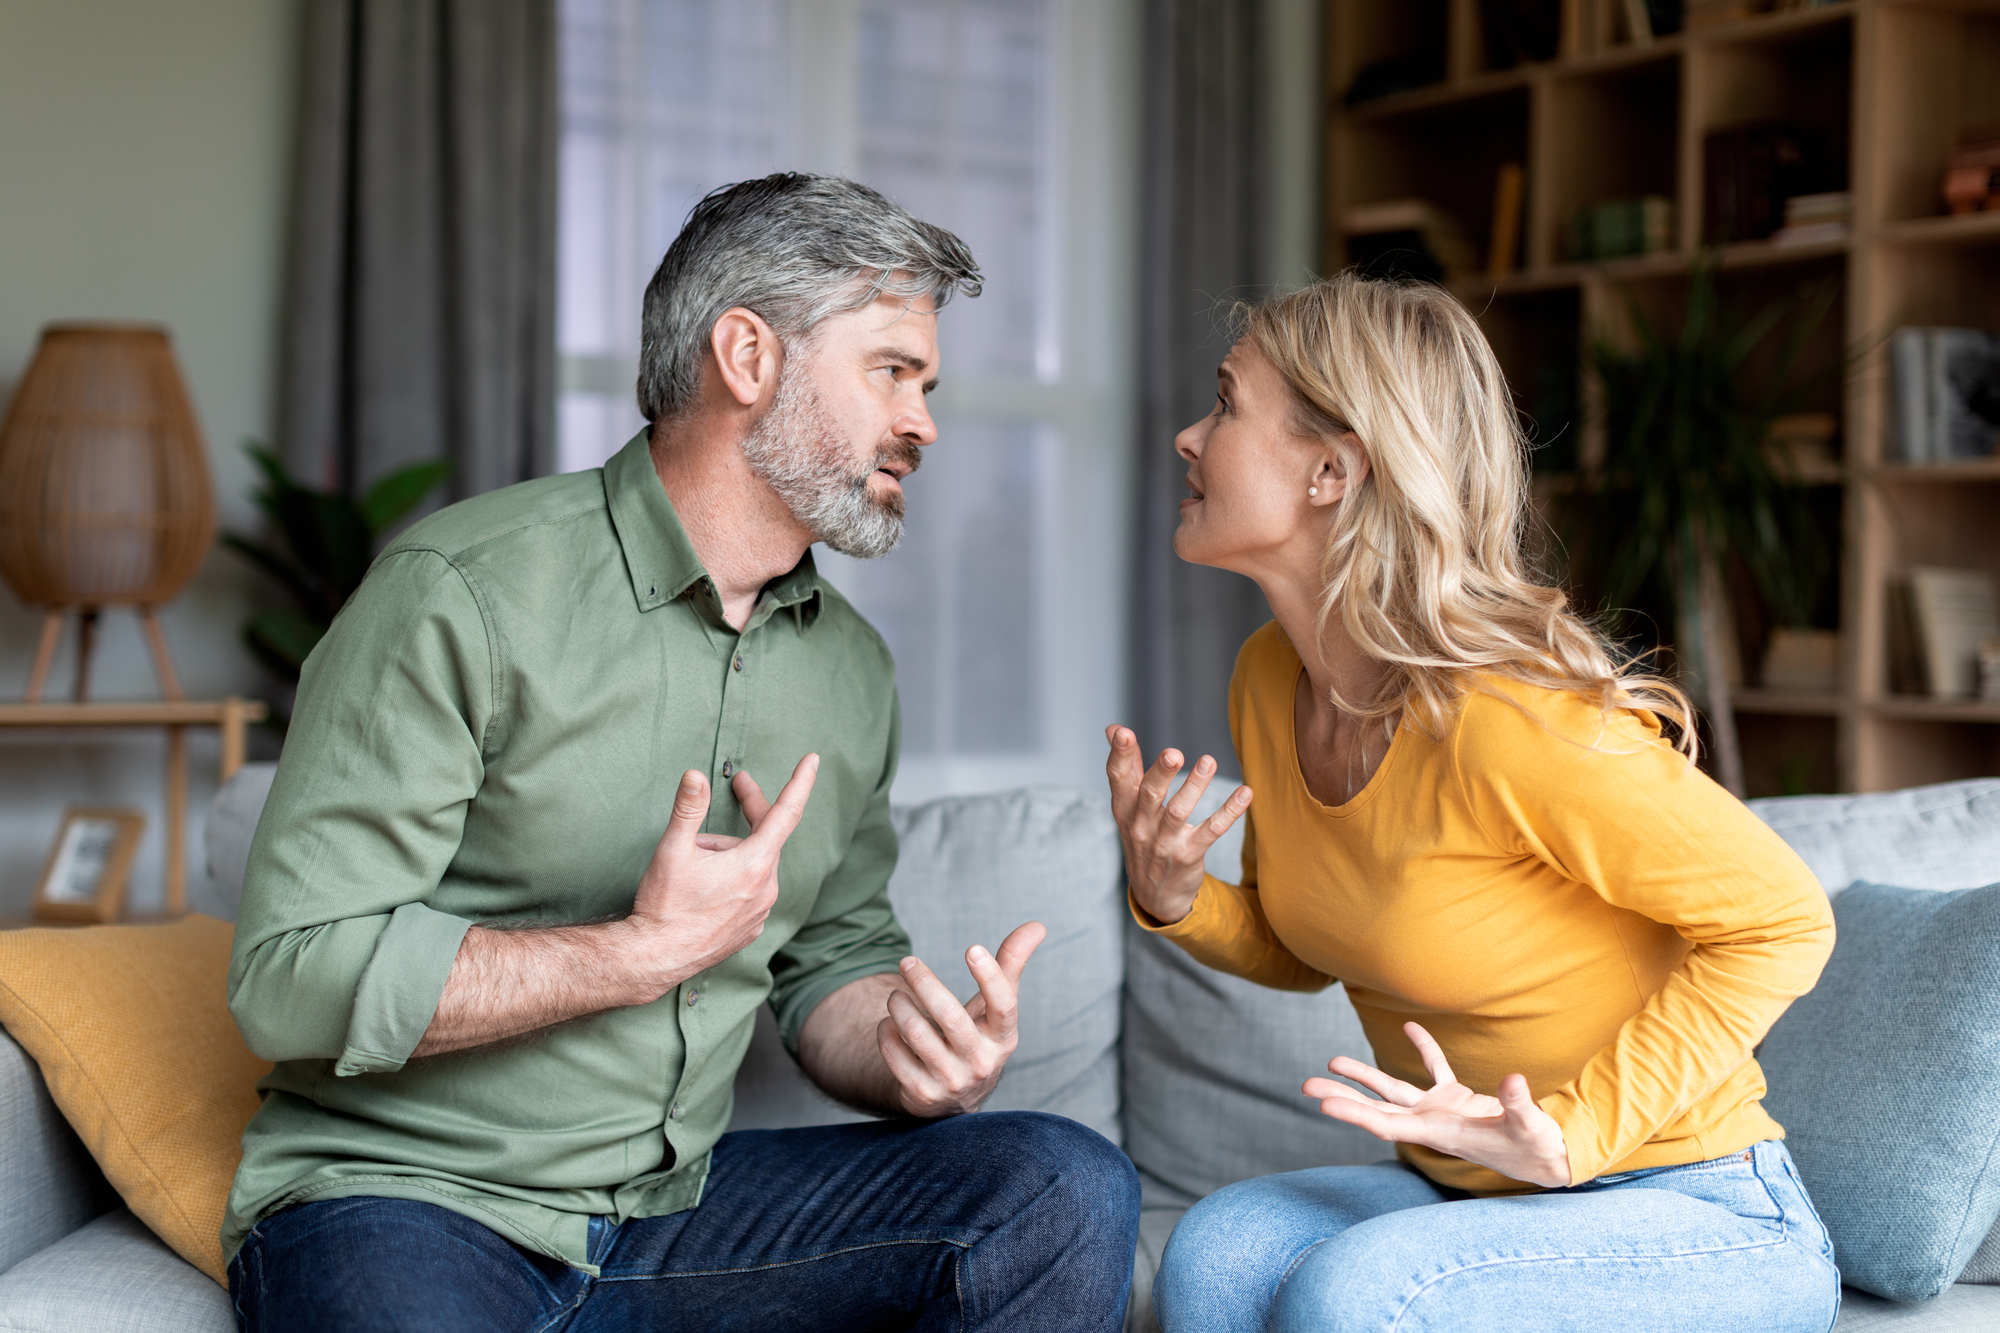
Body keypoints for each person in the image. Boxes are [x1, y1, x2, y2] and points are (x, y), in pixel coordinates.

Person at [224, 173, 1139, 1333]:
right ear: (746, 357)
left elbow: (833, 965)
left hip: (677, 1213)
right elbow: (290, 975)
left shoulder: (850, 671)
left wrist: (909, 1057)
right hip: (406, 1200)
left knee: (1058, 1186)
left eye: (927, 383)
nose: (923, 422)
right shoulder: (459, 594)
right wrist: (633, 953)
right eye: (891, 372)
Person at [1106, 273, 1840, 1332]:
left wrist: (1577, 1132)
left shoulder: (1510, 719)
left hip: (1690, 1201)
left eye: (1223, 403)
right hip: (1468, 1192)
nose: (1186, 436)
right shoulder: (1269, 678)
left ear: (1329, 470)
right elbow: (1307, 940)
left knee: (1354, 1296)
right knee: (1216, 1255)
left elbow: (1784, 918)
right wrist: (1176, 898)